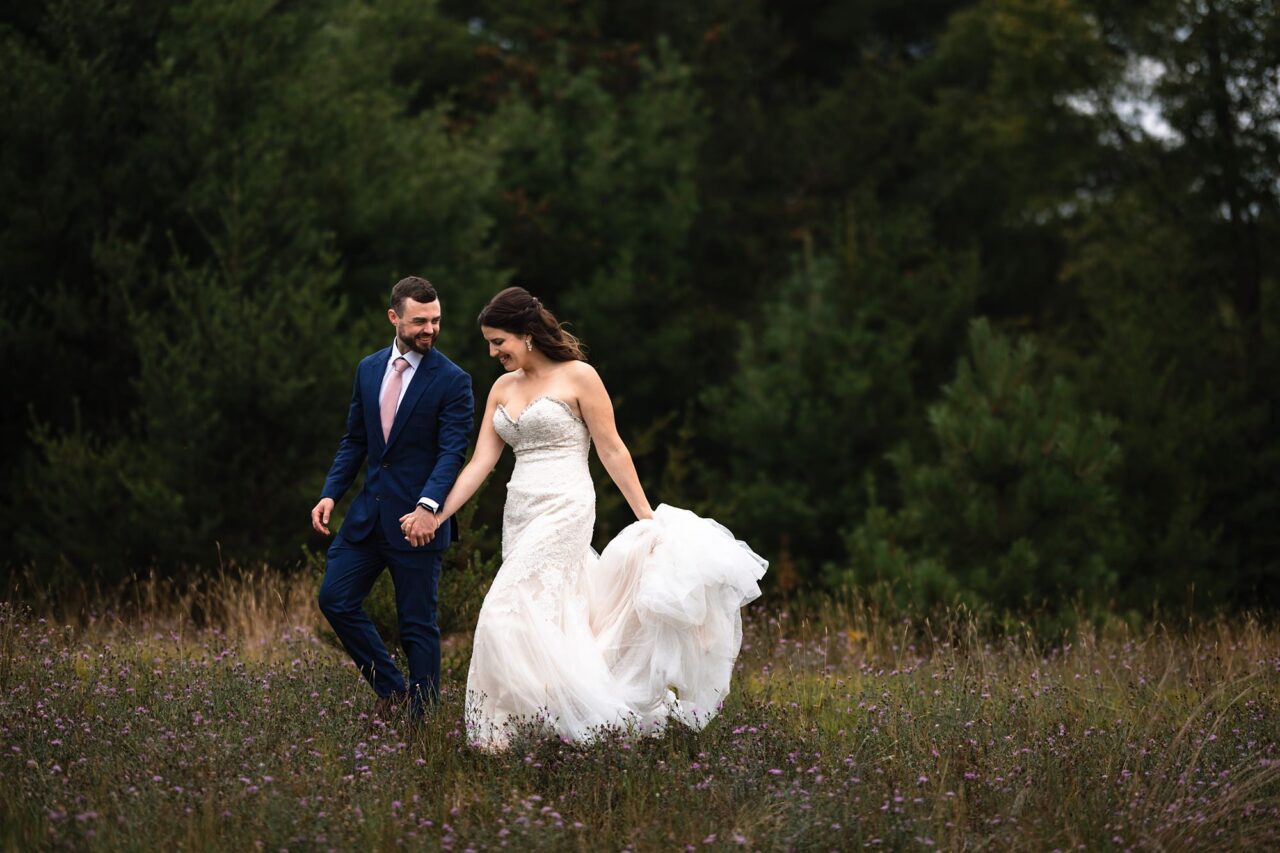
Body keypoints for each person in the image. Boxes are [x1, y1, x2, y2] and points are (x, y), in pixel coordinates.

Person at [426, 286, 766, 749]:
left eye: (498, 341)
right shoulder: (502, 388)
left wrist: (646, 515)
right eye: (488, 342)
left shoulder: (579, 377)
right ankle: (547, 721)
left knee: (504, 609)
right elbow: (481, 461)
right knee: (551, 612)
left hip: (566, 505)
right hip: (520, 510)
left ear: (526, 335)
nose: (492, 352)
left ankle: (507, 731)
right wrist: (438, 512)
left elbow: (611, 448)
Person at [310, 276, 474, 722]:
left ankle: (423, 725)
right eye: (419, 320)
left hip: (418, 525)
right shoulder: (368, 369)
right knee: (335, 599)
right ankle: (393, 689)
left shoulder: (454, 381)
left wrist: (428, 507)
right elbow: (355, 440)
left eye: (436, 320)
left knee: (418, 627)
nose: (430, 329)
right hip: (367, 518)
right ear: (394, 317)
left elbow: (451, 452)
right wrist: (331, 493)